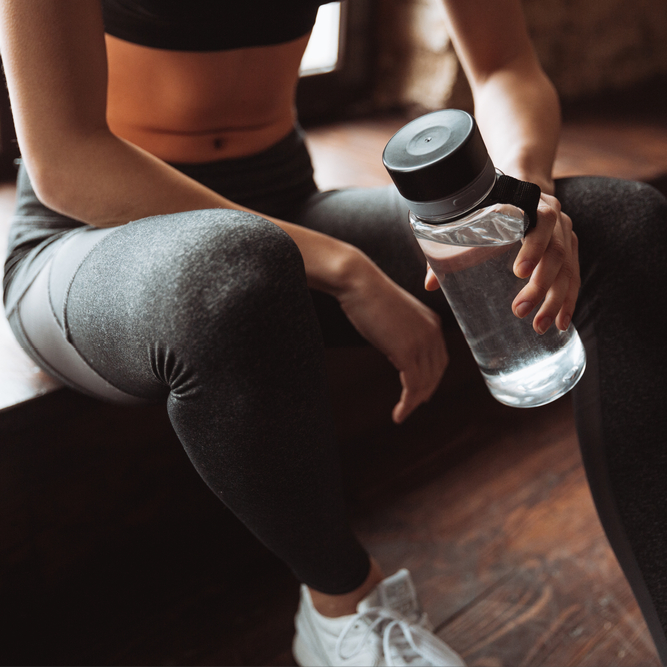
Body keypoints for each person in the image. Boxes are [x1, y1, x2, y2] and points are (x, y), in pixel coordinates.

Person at [1, 0, 665, 664]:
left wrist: (524, 197)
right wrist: (342, 266)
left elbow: (503, 66)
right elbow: (66, 158)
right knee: (235, 267)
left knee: (621, 223)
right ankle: (341, 606)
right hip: (89, 243)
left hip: (284, 206)